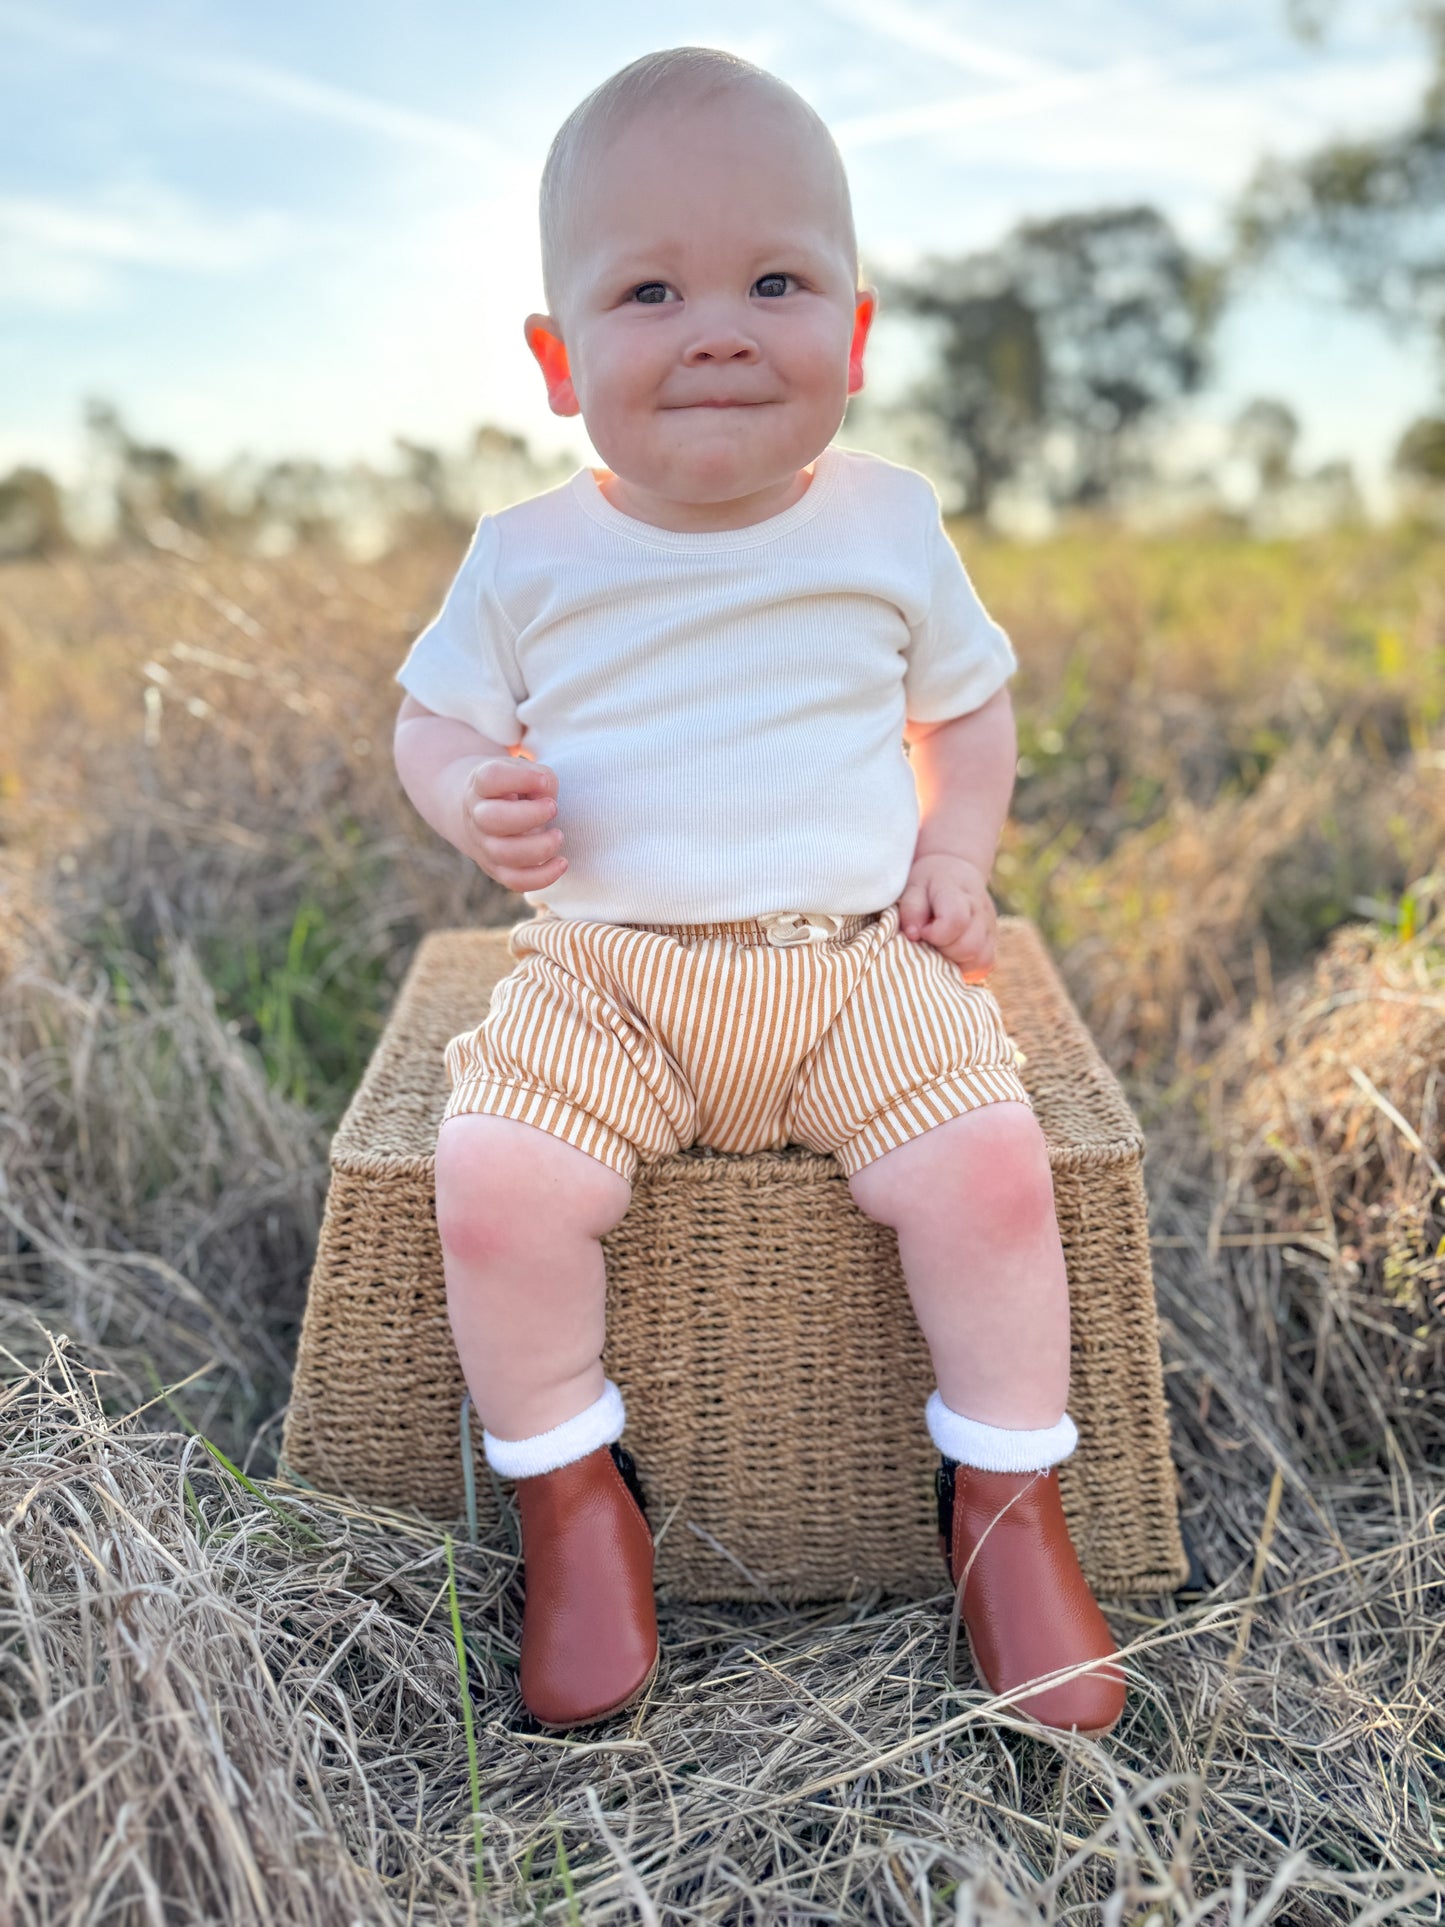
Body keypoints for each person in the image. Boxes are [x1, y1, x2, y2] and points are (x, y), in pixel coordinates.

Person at [392, 45, 1126, 1739]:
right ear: (560, 358)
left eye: (773, 281)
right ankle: (575, 1496)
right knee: (492, 1185)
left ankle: (1009, 1501)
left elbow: (966, 705)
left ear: (855, 334)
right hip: (609, 979)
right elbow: (430, 719)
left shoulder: (886, 522)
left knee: (996, 1177)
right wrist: (466, 797)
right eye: (649, 290)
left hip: (848, 965)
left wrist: (953, 857)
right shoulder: (525, 555)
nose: (717, 325)